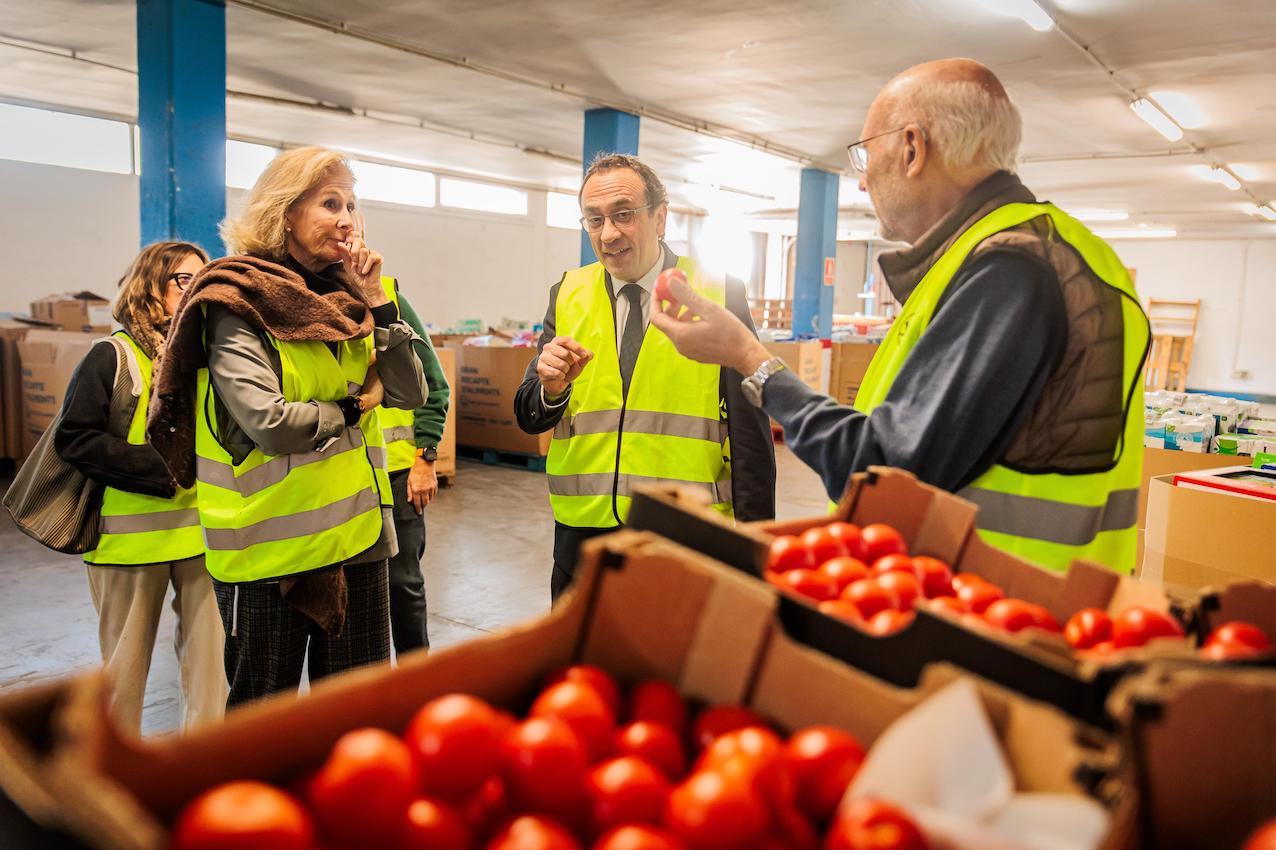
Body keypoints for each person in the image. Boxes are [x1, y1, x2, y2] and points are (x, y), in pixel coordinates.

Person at [651, 59, 1150, 575]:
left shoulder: (1011, 268)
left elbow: (880, 472)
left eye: (865, 155)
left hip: (987, 611)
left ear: (913, 148)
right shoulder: (1071, 252)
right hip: (1040, 605)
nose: (863, 182)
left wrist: (748, 357)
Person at [147, 146, 427, 706]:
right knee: (263, 717)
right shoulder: (237, 300)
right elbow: (268, 420)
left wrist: (380, 305)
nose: (347, 219)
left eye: (351, 204)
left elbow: (411, 390)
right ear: (284, 212)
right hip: (269, 554)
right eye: (330, 203)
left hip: (358, 540)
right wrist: (352, 408)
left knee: (356, 714)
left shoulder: (350, 300)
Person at [515, 153, 776, 599]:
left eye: (623, 215)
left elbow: (750, 430)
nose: (609, 233)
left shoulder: (715, 291)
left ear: (660, 217)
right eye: (594, 220)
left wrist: (756, 548)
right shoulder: (568, 293)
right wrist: (551, 389)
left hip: (685, 532)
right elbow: (529, 413)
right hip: (584, 536)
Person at [55, 241, 227, 733]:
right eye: (184, 281)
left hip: (204, 540)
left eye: (203, 282)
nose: (196, 291)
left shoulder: (209, 359)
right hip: (128, 548)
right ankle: (118, 781)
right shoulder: (114, 356)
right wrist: (162, 469)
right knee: (122, 682)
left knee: (212, 674)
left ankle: (202, 773)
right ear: (150, 286)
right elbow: (76, 437)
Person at [376, 282, 450, 654]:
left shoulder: (390, 298)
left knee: (402, 584)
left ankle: (415, 677)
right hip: (336, 477)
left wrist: (426, 459)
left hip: (397, 473)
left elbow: (435, 386)